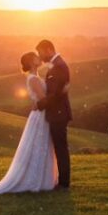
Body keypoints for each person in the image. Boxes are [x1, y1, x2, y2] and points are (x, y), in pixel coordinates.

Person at [0, 51, 58, 195]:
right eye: (36, 57)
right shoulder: (34, 79)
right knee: (39, 145)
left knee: (41, 146)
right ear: (31, 62)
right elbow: (43, 99)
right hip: (41, 116)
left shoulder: (35, 77)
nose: (39, 58)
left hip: (41, 114)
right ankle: (37, 180)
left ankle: (43, 179)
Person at [35, 39, 72, 189]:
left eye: (41, 52)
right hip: (57, 113)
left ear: (49, 49)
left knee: (60, 148)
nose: (40, 56)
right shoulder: (57, 65)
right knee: (58, 147)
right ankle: (61, 180)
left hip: (59, 114)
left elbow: (55, 94)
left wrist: (38, 105)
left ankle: (64, 183)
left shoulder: (59, 66)